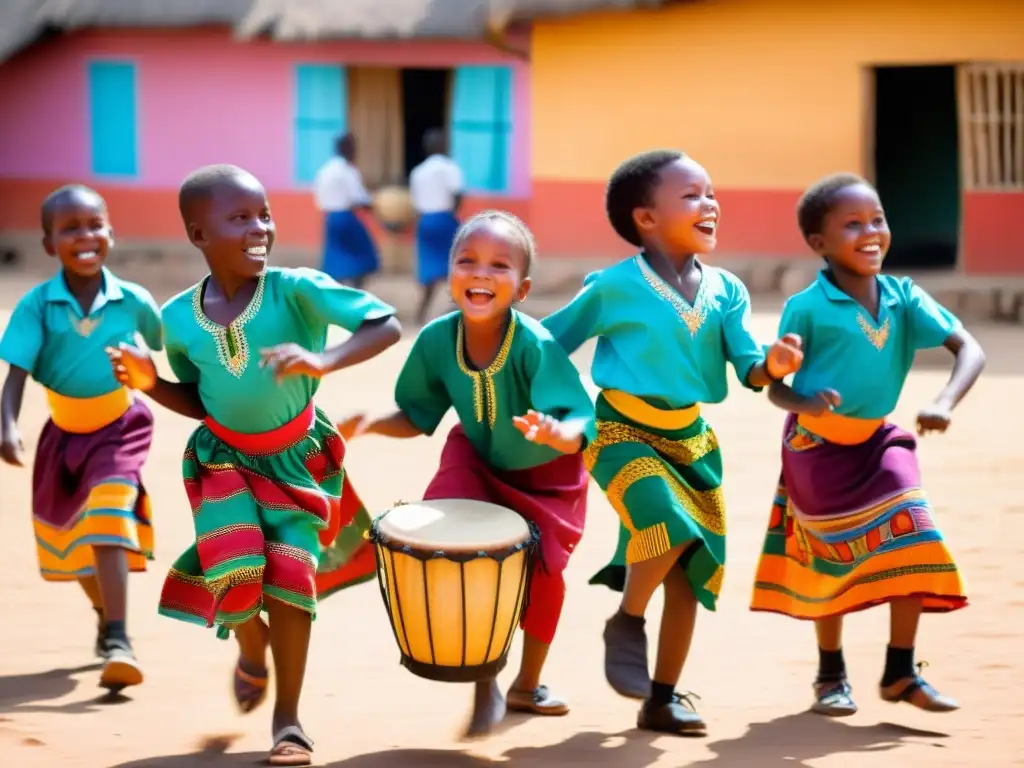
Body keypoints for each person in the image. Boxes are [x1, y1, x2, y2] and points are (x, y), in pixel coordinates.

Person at [107, 164, 401, 766]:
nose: (259, 227)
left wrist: (325, 361)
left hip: (300, 462)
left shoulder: (298, 289)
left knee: (292, 576)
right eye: (240, 218)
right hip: (222, 461)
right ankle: (250, 643)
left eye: (264, 213)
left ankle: (288, 719)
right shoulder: (179, 320)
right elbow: (201, 398)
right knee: (235, 565)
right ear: (198, 235)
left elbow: (384, 324)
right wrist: (150, 384)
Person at [541, 150, 803, 735]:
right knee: (666, 522)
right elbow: (544, 344)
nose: (709, 203)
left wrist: (775, 365)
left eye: (711, 193)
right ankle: (627, 619)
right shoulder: (611, 287)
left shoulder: (728, 290)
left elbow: (749, 369)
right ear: (646, 219)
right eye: (690, 195)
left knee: (691, 569)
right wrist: (559, 410)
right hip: (618, 433)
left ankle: (662, 698)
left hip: (692, 441)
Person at [339, 210, 594, 738]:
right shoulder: (436, 340)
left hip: (546, 476)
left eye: (500, 265)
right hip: (474, 461)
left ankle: (526, 683)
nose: (481, 272)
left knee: (544, 576)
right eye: (467, 260)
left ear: (521, 288)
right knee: (460, 548)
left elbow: (578, 418)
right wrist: (371, 423)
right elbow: (417, 416)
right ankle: (484, 681)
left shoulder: (534, 344)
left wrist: (557, 433)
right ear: (449, 272)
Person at [749, 173, 985, 717]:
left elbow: (968, 347)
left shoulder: (904, 297)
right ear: (819, 244)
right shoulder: (807, 308)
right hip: (816, 450)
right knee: (830, 558)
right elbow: (775, 388)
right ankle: (830, 675)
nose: (870, 232)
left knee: (914, 532)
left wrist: (943, 402)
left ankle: (900, 672)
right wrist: (804, 403)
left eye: (877, 219)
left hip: (880, 443)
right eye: (852, 225)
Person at [0, 184, 162, 693]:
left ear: (110, 232)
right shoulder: (37, 307)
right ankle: (103, 616)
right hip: (63, 435)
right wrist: (6, 424)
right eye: (70, 229)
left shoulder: (134, 301)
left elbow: (169, 352)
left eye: (95, 225)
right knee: (71, 548)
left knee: (109, 511)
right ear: (49, 244)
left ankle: (120, 640)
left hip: (120, 427)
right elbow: (16, 375)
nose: (86, 236)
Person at [409, 128, 463, 325]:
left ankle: (420, 313)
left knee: (430, 268)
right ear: (442, 145)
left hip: (425, 222)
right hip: (445, 219)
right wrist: (452, 214)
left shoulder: (417, 172)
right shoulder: (450, 167)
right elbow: (457, 195)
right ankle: (460, 306)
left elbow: (415, 203)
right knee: (460, 263)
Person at [314, 133, 379, 288]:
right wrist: (375, 206)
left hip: (330, 219)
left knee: (335, 261)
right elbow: (359, 198)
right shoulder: (347, 170)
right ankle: (356, 293)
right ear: (348, 149)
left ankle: (334, 297)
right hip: (346, 218)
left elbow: (319, 197)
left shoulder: (324, 170)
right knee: (365, 258)